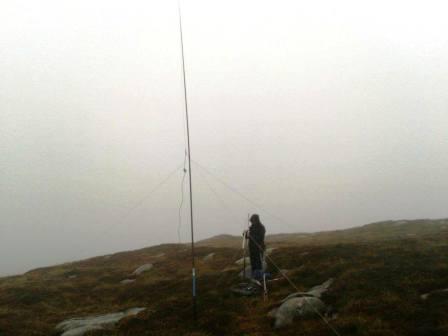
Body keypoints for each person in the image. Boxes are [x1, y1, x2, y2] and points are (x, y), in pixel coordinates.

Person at [247, 214, 266, 281]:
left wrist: (251, 236)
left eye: (253, 220)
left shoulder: (261, 227)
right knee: (253, 262)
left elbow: (260, 237)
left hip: (259, 247)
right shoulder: (251, 227)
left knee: (258, 262)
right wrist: (245, 234)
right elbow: (248, 237)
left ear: (256, 220)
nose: (252, 222)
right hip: (252, 247)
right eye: (251, 221)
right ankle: (254, 275)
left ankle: (260, 277)